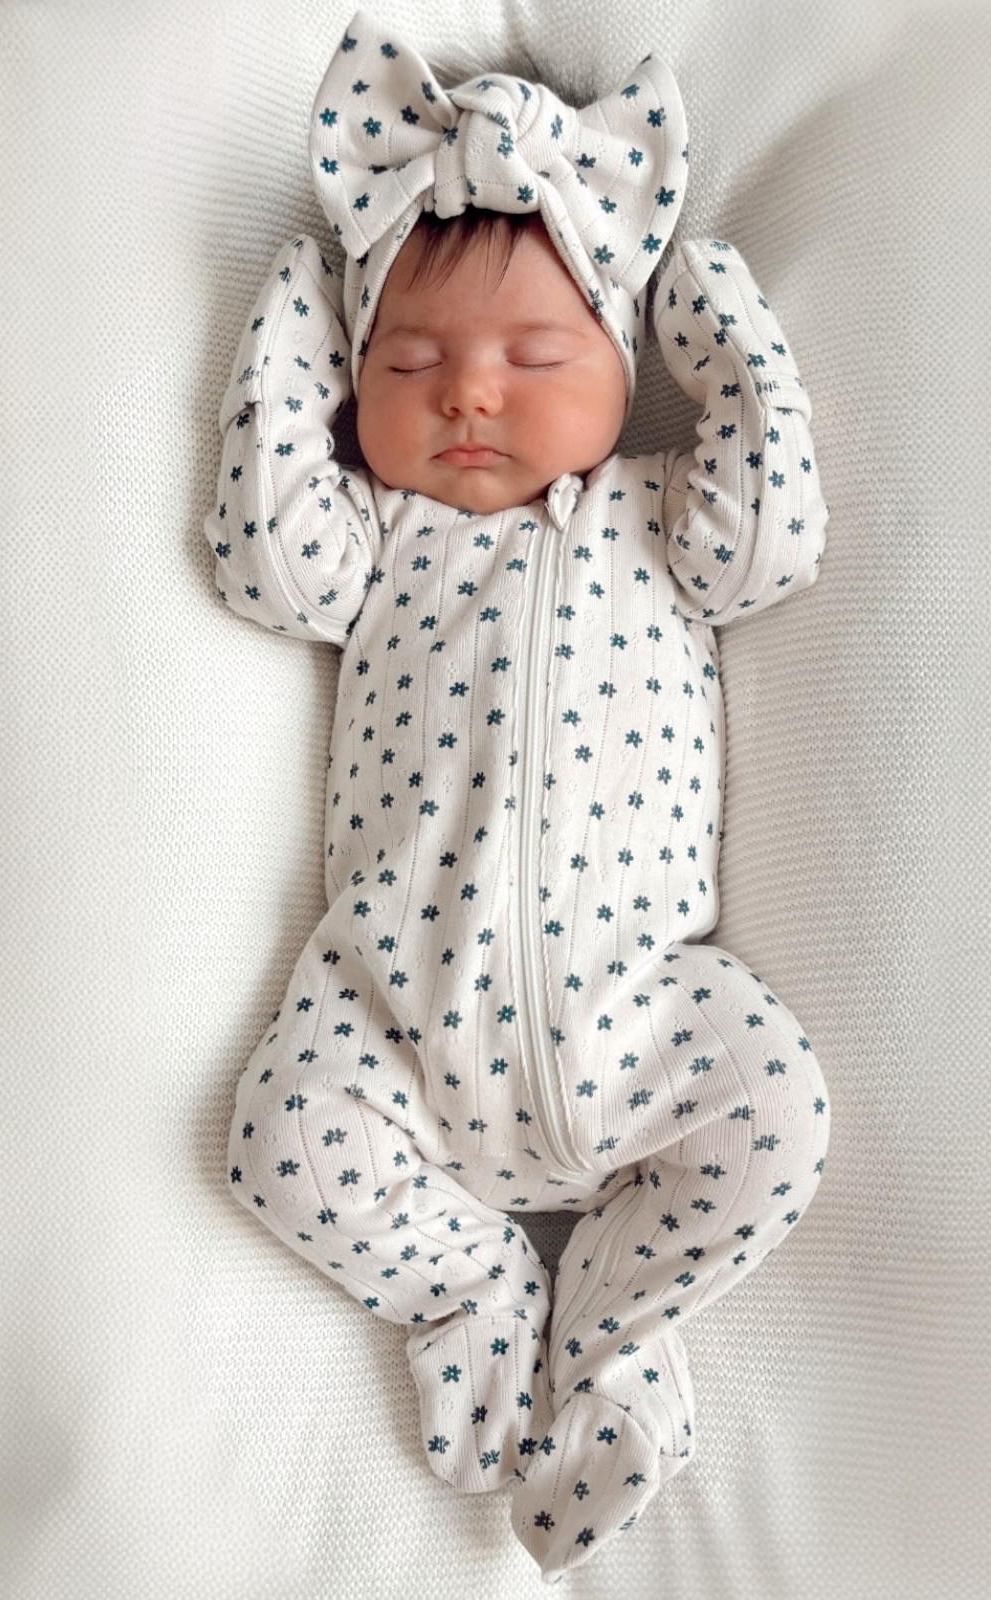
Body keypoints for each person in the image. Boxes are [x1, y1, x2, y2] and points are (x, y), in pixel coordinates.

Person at [207, 9, 830, 1578]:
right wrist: (291, 323)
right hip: (393, 1022)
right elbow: (265, 554)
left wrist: (721, 330)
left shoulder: (661, 513)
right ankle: (470, 1289)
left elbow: (777, 537)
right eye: (408, 365)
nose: (470, 394)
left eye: (535, 358)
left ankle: (605, 1334)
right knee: (274, 1139)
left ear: (618, 363)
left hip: (640, 1014)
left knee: (779, 1120)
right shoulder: (383, 542)